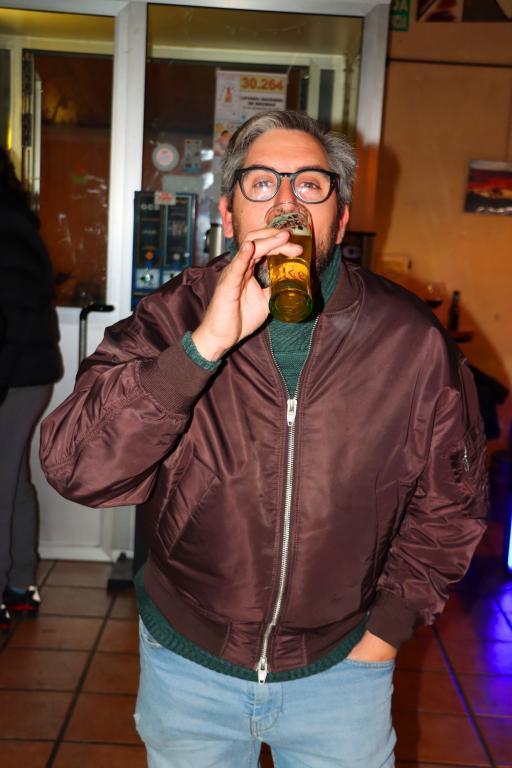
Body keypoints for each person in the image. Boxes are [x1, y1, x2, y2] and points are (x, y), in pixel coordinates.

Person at [40, 111, 488, 768]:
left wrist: (386, 633)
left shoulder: (411, 342)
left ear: (340, 218)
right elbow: (77, 467)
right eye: (261, 183)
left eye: (310, 184)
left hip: (342, 671)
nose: (286, 202)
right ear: (228, 215)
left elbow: (452, 504)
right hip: (189, 666)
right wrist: (201, 348)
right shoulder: (173, 318)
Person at [0, 147, 62, 632]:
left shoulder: (7, 229)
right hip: (21, 373)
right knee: (12, 482)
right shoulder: (15, 223)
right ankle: (19, 586)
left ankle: (9, 589)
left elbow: (15, 317)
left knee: (4, 486)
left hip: (15, 377)